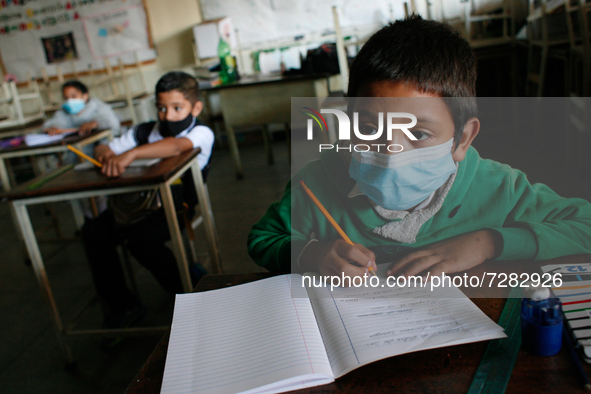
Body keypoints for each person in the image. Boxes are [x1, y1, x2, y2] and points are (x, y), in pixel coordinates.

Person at [247, 16, 591, 279]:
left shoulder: (500, 188)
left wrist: (488, 243)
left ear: (463, 139)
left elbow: (584, 224)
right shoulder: (316, 184)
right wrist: (308, 252)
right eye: (368, 128)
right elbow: (264, 238)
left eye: (419, 134)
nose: (391, 150)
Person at [82, 71, 214, 336]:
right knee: (94, 233)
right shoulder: (144, 131)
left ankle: (186, 287)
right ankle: (124, 306)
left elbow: (176, 147)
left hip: (175, 210)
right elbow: (103, 148)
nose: (168, 116)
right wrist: (106, 153)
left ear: (195, 107)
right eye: (162, 108)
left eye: (177, 108)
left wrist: (130, 154)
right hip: (132, 210)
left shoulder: (201, 132)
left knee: (141, 241)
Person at [43, 80, 121, 137]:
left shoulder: (98, 107)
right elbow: (55, 122)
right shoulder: (63, 112)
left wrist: (96, 123)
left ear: (84, 96)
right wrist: (53, 128)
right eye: (66, 98)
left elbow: (113, 123)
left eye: (74, 96)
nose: (70, 100)